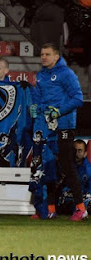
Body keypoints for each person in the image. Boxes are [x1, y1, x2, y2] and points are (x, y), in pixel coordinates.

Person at [31, 42, 87, 221]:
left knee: (66, 164)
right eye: (42, 54)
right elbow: (38, 99)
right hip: (46, 127)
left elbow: (78, 98)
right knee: (48, 167)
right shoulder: (40, 76)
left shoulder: (66, 74)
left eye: (47, 54)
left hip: (64, 125)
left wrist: (59, 111)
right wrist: (35, 108)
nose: (43, 57)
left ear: (56, 57)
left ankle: (81, 208)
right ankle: (49, 209)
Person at [58, 139, 91, 212]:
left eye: (80, 151)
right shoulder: (64, 166)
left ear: (85, 153)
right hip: (66, 198)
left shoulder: (89, 170)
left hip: (83, 198)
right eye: (74, 150)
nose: (76, 153)